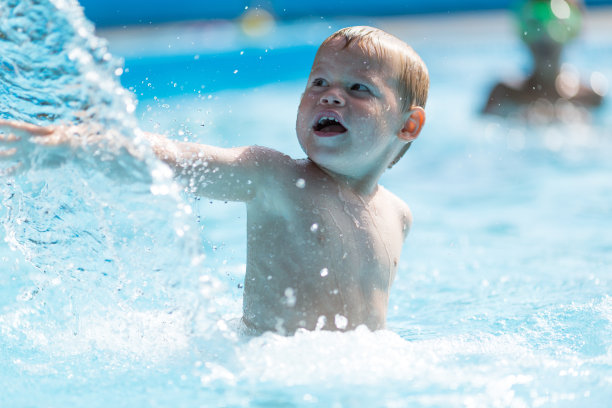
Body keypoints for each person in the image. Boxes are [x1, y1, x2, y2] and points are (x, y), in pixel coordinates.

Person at [0, 26, 428, 335]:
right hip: (267, 370)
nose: (331, 95)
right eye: (318, 82)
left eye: (358, 88)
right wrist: (76, 144)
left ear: (408, 125)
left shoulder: (398, 215)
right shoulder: (275, 177)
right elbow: (174, 159)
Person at [482, 0, 603, 120]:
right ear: (522, 32)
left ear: (573, 31)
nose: (546, 37)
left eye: (557, 26)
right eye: (534, 24)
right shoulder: (503, 95)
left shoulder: (592, 97)